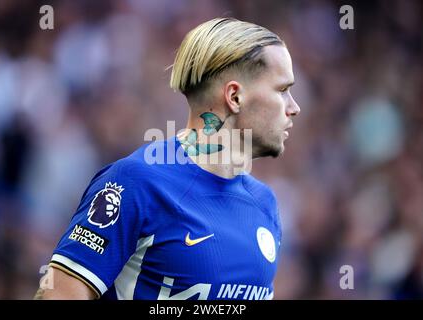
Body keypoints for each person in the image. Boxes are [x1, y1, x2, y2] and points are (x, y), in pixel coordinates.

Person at [35, 17, 300, 300]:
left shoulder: (265, 204)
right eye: (282, 90)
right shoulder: (135, 184)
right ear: (234, 96)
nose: (294, 107)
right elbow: (59, 294)